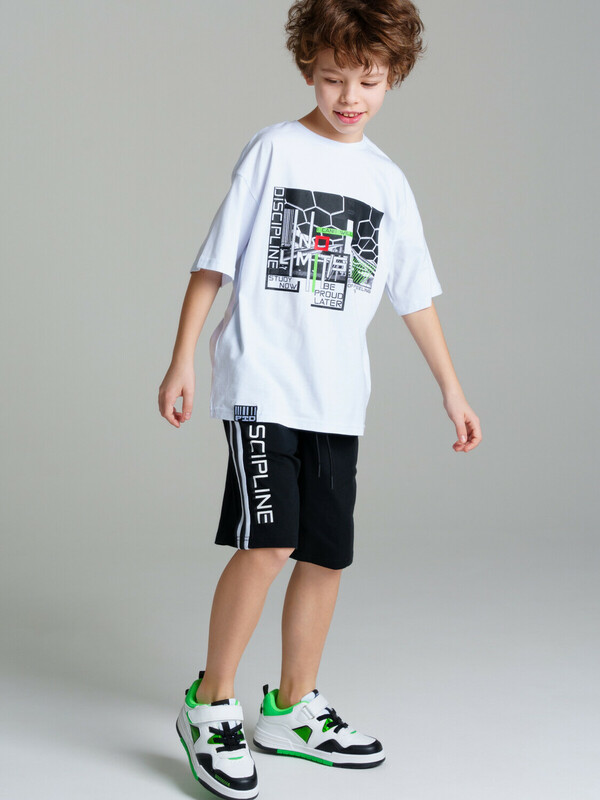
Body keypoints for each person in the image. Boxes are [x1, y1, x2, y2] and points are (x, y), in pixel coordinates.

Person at [158, 1, 482, 797]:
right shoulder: (274, 150)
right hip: (262, 387)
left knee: (326, 554)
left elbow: (414, 295)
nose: (349, 97)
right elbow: (213, 264)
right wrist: (182, 359)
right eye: (334, 78)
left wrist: (452, 388)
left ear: (393, 76)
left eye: (368, 81)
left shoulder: (387, 181)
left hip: (336, 398)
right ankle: (210, 702)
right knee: (268, 544)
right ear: (309, 68)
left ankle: (291, 709)